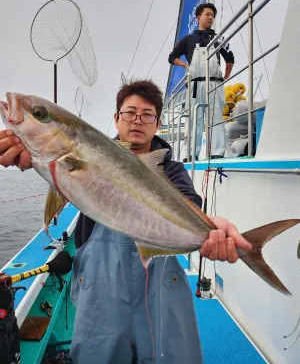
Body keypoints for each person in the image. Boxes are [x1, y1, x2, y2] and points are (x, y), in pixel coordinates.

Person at [0, 80, 251, 364]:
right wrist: (33, 159)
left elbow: (189, 203)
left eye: (147, 115)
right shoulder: (85, 154)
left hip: (161, 305)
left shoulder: (171, 169)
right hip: (101, 306)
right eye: (129, 113)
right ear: (116, 119)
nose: (137, 121)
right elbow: (66, 178)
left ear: (157, 124)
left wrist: (210, 227)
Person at [168, 3, 235, 160]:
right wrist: (185, 64)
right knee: (194, 119)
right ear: (199, 17)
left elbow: (230, 58)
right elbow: (172, 57)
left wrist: (225, 77)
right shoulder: (188, 40)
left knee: (216, 117)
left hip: (214, 83)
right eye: (207, 14)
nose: (211, 17)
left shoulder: (219, 38)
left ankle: (217, 151)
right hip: (195, 85)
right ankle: (191, 153)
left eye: (213, 15)